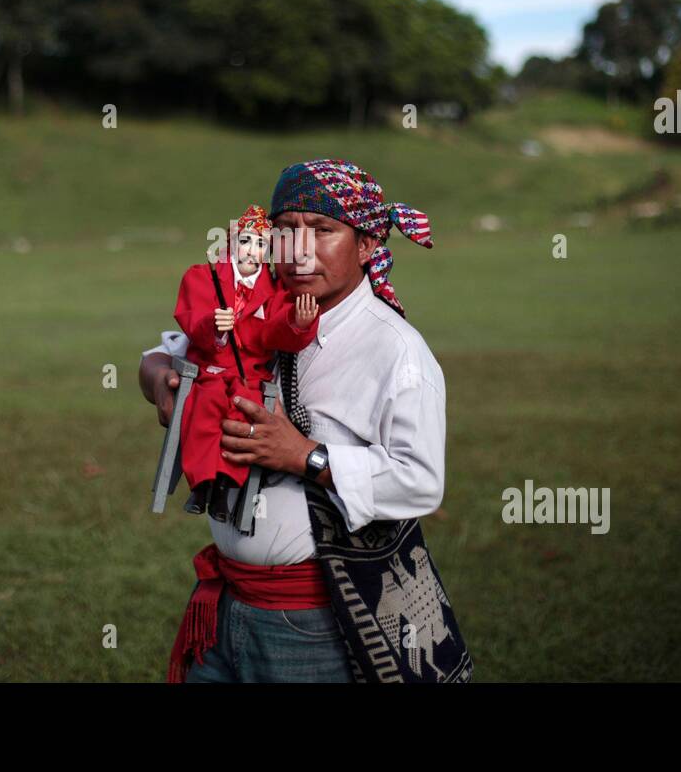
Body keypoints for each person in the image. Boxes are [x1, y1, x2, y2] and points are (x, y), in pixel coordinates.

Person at [140, 158, 450, 683]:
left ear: (368, 245)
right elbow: (172, 352)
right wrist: (152, 374)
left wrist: (306, 456)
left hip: (312, 622)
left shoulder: (395, 352)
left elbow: (420, 482)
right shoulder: (258, 303)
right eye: (285, 232)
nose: (300, 249)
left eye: (323, 230)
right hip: (224, 600)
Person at [172, 203, 320, 522]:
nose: (252, 251)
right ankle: (201, 483)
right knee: (205, 407)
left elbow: (273, 333)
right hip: (211, 370)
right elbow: (189, 316)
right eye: (246, 241)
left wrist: (298, 322)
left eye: (261, 245)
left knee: (245, 415)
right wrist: (211, 325)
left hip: (248, 377)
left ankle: (228, 486)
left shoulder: (273, 294)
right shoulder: (203, 278)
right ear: (232, 243)